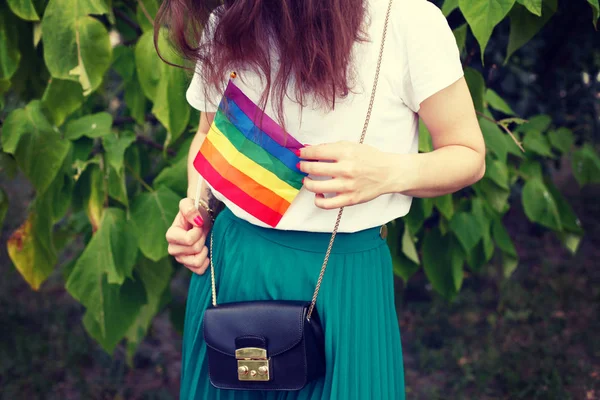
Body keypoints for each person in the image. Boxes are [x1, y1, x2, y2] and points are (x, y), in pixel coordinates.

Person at [161, 0, 485, 398]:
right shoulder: (229, 18)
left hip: (343, 282)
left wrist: (388, 172)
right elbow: (209, 135)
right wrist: (198, 211)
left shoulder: (407, 21)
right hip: (232, 268)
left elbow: (468, 154)